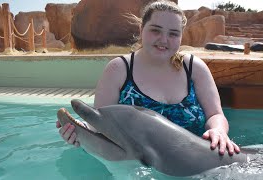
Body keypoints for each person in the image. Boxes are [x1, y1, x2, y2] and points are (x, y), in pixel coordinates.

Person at [56, 0, 240, 155]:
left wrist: (218, 131)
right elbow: (102, 126)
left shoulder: (194, 67)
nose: (164, 40)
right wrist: (80, 131)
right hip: (137, 166)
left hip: (197, 161)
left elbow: (215, 114)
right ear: (141, 28)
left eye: (173, 34)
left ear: (181, 36)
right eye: (156, 30)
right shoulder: (119, 70)